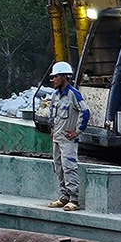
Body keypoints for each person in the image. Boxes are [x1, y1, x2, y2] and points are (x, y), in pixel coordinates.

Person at [46, 60, 89, 210]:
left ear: (64, 77)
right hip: (57, 138)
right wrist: (52, 128)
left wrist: (77, 131)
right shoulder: (55, 95)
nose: (53, 80)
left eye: (55, 77)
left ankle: (74, 199)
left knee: (69, 167)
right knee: (59, 167)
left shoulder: (73, 94)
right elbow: (52, 113)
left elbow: (85, 112)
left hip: (68, 140)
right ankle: (64, 196)